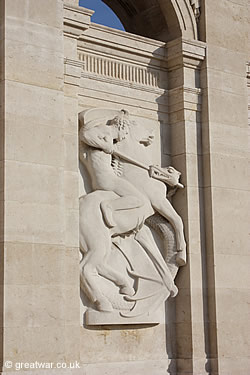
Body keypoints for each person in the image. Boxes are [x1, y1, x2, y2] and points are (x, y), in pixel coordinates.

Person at [79, 109, 147, 227]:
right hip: (107, 180)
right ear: (121, 126)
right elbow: (85, 135)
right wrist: (104, 145)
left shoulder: (108, 138)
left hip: (102, 180)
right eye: (126, 132)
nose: (126, 135)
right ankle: (109, 206)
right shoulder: (105, 131)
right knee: (138, 199)